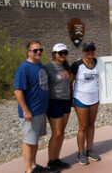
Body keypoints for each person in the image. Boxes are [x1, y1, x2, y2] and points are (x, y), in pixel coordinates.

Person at [14, 40, 49, 173]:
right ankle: (28, 170)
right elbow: (18, 90)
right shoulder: (24, 68)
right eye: (35, 50)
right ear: (28, 52)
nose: (38, 52)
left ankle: (34, 165)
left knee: (34, 140)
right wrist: (25, 110)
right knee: (29, 141)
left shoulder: (39, 65)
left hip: (40, 110)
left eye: (40, 50)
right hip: (30, 112)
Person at [71, 41, 101, 165]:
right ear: (83, 51)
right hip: (81, 98)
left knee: (91, 125)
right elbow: (69, 82)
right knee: (82, 127)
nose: (90, 52)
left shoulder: (99, 63)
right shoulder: (77, 64)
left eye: (92, 49)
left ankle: (89, 150)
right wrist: (71, 99)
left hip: (94, 99)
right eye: (87, 50)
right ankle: (80, 153)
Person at [44, 43, 72, 171]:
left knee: (61, 133)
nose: (63, 55)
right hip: (54, 102)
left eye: (65, 53)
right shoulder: (48, 67)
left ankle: (56, 159)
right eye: (60, 53)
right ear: (54, 54)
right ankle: (51, 162)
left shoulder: (67, 68)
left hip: (66, 101)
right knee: (57, 133)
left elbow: (70, 84)